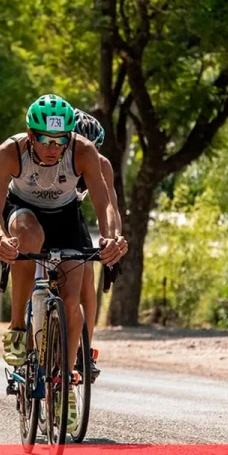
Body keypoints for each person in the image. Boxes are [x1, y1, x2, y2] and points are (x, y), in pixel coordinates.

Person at [0, 94, 126, 429]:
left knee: (73, 298)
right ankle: (18, 327)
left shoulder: (83, 151)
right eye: (45, 140)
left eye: (61, 140)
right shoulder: (10, 151)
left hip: (65, 217)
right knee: (28, 237)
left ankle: (62, 383)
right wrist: (0, 239)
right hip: (23, 212)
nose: (53, 147)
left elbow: (107, 204)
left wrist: (111, 238)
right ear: (31, 135)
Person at [72, 108, 127, 381]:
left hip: (71, 215)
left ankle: (84, 347)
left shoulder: (101, 164)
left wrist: (113, 238)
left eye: (92, 149)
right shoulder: (52, 158)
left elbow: (111, 207)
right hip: (41, 213)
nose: (86, 155)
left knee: (85, 272)